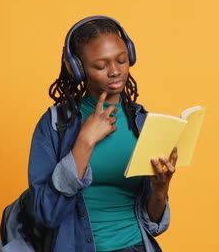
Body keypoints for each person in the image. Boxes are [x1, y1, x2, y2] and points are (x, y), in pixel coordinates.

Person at [28, 16, 178, 252]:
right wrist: (84, 142)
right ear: (78, 69)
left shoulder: (143, 124)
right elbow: (46, 213)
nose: (115, 71)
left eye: (122, 60)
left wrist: (160, 190)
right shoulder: (55, 124)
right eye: (100, 66)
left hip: (136, 246)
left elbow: (153, 223)